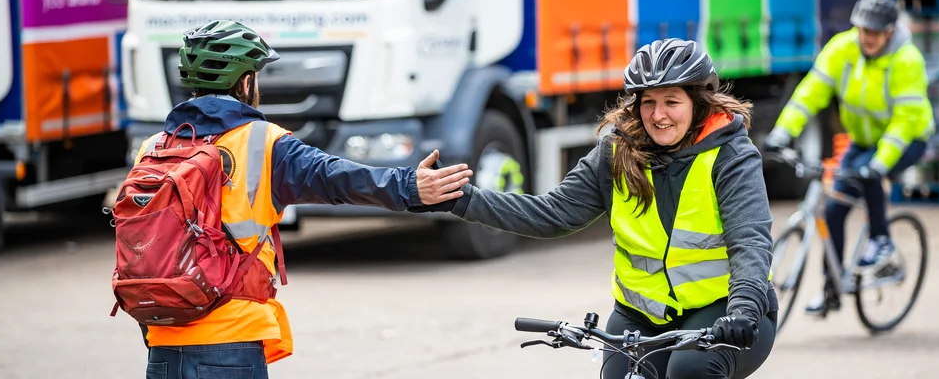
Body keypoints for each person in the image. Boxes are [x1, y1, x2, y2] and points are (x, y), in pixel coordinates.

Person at [412, 38, 777, 379]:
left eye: (672, 101)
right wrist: (460, 199)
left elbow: (750, 241)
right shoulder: (616, 152)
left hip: (724, 309)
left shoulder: (731, 156)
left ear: (698, 103)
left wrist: (743, 310)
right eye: (648, 102)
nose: (658, 115)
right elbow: (551, 214)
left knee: (688, 371)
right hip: (641, 315)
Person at [130, 20, 472, 379]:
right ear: (246, 83)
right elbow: (339, 179)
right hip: (230, 336)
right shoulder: (264, 142)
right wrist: (411, 186)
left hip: (163, 338)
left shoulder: (153, 147)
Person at [762, 0, 935, 316]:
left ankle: (881, 240)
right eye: (862, 30)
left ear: (890, 31)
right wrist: (783, 132)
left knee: (871, 175)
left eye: (875, 31)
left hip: (909, 138)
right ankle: (832, 290)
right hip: (864, 138)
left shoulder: (907, 60)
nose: (867, 37)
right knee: (834, 211)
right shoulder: (842, 48)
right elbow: (810, 92)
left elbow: (904, 122)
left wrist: (879, 164)